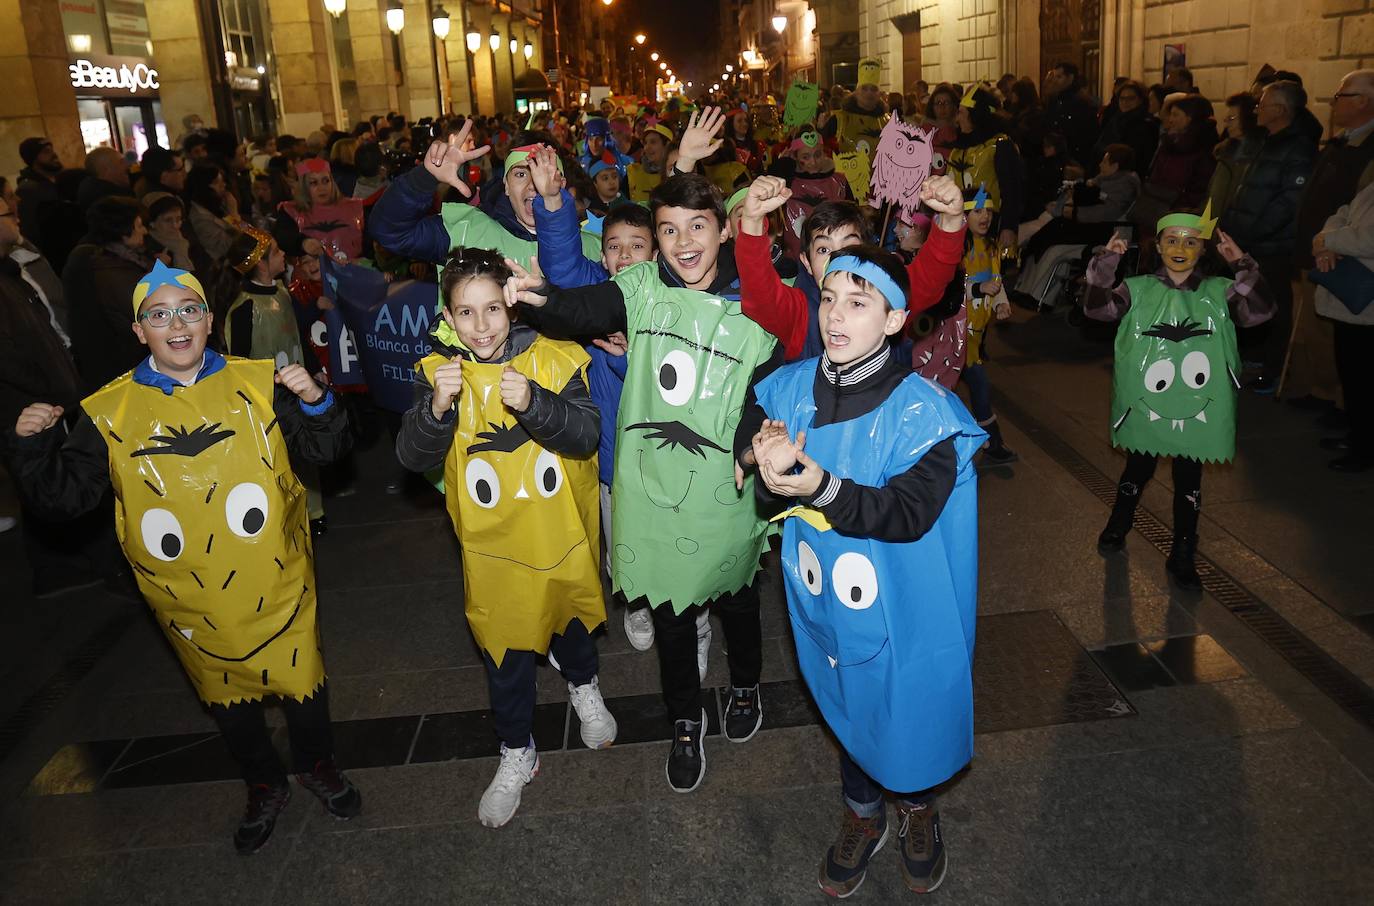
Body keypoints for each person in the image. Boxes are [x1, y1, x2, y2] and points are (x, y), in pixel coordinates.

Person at [6, 261, 361, 854]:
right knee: (229, 700)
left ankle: (316, 764)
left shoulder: (260, 382)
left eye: (189, 309)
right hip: (187, 598)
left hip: (278, 583)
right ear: (139, 330)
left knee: (305, 686)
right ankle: (263, 781)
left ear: (208, 320)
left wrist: (317, 401)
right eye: (159, 314)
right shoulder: (107, 411)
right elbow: (64, 500)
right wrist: (32, 449)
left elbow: (328, 449)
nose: (177, 323)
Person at [505, 157, 780, 795]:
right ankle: (685, 721)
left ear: (723, 231)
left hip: (728, 486)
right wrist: (538, 294)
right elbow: (581, 308)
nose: (684, 244)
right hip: (654, 488)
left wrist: (748, 449)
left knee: (739, 600)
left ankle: (745, 686)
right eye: (669, 231)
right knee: (672, 618)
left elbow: (766, 389)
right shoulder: (640, 291)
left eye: (697, 228)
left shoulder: (755, 302)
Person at [734, 244, 985, 897]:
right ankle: (864, 814)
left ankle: (918, 807)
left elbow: (905, 514)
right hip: (827, 608)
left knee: (907, 706)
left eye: (858, 302)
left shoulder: (924, 412)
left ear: (896, 320)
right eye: (828, 299)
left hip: (904, 607)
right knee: (849, 704)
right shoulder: (787, 388)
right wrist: (761, 463)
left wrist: (818, 485)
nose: (835, 316)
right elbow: (763, 492)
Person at [395, 247, 616, 827]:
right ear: (446, 315)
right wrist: (437, 409)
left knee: (569, 620)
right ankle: (517, 748)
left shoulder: (556, 360)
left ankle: (583, 683)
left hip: (557, 537)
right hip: (493, 550)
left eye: (492, 308)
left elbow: (587, 435)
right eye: (465, 313)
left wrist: (535, 402)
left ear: (512, 307)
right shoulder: (436, 376)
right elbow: (410, 455)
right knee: (504, 648)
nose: (482, 325)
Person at [1086, 211, 1273, 587]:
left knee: (1189, 479)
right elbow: (1097, 308)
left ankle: (1184, 550)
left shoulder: (1221, 291)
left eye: (1191, 241)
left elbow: (1259, 312)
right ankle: (1119, 523)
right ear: (1158, 245)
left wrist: (1242, 264)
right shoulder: (1136, 289)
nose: (1180, 249)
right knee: (1138, 468)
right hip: (1147, 404)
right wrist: (1106, 264)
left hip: (1197, 405)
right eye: (1172, 240)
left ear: (1203, 249)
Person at [526, 148, 663, 650]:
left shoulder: (667, 300)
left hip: (664, 457)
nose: (624, 256)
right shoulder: (595, 290)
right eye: (614, 247)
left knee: (670, 540)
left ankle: (690, 614)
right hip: (612, 460)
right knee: (619, 542)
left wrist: (628, 359)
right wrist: (552, 199)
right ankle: (637, 603)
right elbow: (561, 262)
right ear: (602, 254)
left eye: (636, 246)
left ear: (655, 255)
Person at [735, 174, 966, 362]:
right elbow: (760, 293)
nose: (837, 258)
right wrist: (752, 221)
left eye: (849, 246)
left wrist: (951, 220)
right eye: (824, 250)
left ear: (868, 250)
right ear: (806, 262)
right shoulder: (799, 312)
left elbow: (932, 274)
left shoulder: (889, 296)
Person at [369, 122, 603, 286]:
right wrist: (423, 179)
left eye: (543, 174)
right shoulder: (465, 231)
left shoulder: (594, 248)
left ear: (561, 182)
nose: (533, 185)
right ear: (506, 185)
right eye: (521, 174)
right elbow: (388, 231)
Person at [1220, 80, 1317, 395]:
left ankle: (1273, 369)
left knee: (1272, 305)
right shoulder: (1263, 140)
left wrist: (1252, 231)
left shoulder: (1297, 146)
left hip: (1272, 244)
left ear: (1280, 109)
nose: (1257, 109)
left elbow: (1290, 200)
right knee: (1246, 299)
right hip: (1246, 239)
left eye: (1263, 104)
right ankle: (1254, 357)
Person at [1290, 70, 1374, 416]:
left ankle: (1343, 407)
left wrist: (1331, 241)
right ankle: (1324, 392)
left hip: (1346, 258)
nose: (1334, 103)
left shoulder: (1368, 148)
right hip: (1323, 248)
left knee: (1345, 343)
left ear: (1366, 101)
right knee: (1318, 332)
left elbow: (1362, 214)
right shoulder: (1341, 141)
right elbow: (1341, 208)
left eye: (1342, 95)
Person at [1311, 179, 1374, 471]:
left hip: (1368, 302)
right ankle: (1358, 436)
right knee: (1352, 374)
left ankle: (1365, 450)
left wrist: (1330, 242)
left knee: (1364, 378)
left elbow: (1369, 238)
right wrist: (1327, 241)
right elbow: (1342, 212)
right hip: (1354, 302)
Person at [63, 196, 156, 393]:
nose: (145, 231)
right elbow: (150, 318)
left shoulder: (116, 262)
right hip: (125, 369)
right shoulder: (113, 272)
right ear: (123, 232)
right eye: (139, 226)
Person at [959, 188, 1017, 464]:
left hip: (977, 335)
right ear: (964, 214)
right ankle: (991, 443)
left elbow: (996, 280)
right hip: (955, 336)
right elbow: (949, 287)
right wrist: (978, 288)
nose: (985, 217)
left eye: (989, 212)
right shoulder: (958, 247)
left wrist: (1000, 302)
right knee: (978, 387)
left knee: (974, 388)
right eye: (978, 211)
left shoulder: (992, 246)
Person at [948, 86, 1024, 257]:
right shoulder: (958, 148)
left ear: (973, 115)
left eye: (960, 112)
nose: (957, 118)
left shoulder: (999, 145)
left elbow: (1012, 189)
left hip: (991, 226)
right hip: (961, 230)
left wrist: (1008, 226)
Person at [766, 132, 853, 260]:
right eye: (805, 157)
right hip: (794, 261)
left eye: (817, 155)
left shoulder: (840, 181)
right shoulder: (787, 182)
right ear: (795, 157)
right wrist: (783, 164)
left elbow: (852, 219)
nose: (812, 161)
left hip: (836, 255)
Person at [282, 159, 366, 262]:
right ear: (304, 187)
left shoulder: (355, 206)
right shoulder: (290, 211)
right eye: (314, 183)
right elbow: (284, 238)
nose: (322, 188)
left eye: (326, 181)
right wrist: (303, 243)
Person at [1207, 93, 1262, 220]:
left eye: (1232, 119)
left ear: (1248, 118)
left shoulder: (1259, 154)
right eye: (1226, 120)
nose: (1227, 125)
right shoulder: (1224, 151)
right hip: (1212, 222)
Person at [1090, 79, 1159, 177]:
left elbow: (1140, 157)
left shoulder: (1146, 125)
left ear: (1140, 100)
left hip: (1124, 178)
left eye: (1131, 98)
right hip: (1103, 175)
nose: (1125, 102)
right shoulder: (1115, 120)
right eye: (1122, 98)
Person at [1042, 61, 1100, 166]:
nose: (1055, 80)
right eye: (1054, 77)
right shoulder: (1054, 100)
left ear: (1070, 78)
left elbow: (1087, 134)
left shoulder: (1082, 102)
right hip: (1055, 156)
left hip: (1074, 157)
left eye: (1059, 77)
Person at [184, 162, 240, 261]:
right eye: (216, 182)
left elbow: (252, 234)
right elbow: (230, 248)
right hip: (229, 264)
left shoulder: (218, 204)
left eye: (222, 180)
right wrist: (234, 213)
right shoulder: (200, 218)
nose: (223, 185)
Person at [627, 123, 672, 203]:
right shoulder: (633, 171)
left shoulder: (677, 173)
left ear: (667, 144)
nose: (647, 147)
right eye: (645, 143)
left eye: (653, 142)